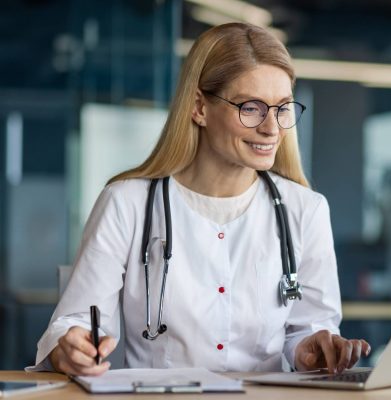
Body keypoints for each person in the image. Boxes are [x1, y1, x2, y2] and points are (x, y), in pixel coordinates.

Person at [30, 22, 370, 377]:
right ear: (199, 108)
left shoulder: (306, 209)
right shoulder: (126, 204)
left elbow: (308, 327)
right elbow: (76, 322)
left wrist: (311, 348)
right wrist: (70, 348)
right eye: (251, 108)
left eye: (282, 108)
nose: (272, 128)